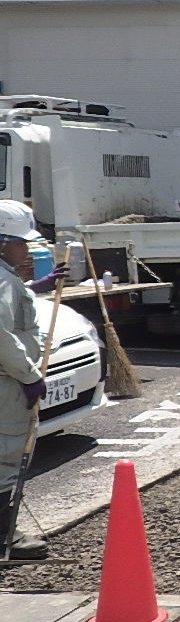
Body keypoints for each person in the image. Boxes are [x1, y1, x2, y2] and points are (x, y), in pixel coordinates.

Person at [0, 201, 52, 560]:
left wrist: (34, 286)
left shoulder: (7, 278)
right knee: (7, 456)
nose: (27, 249)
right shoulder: (2, 280)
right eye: (21, 243)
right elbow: (2, 334)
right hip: (6, 383)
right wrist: (30, 376)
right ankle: (6, 539)